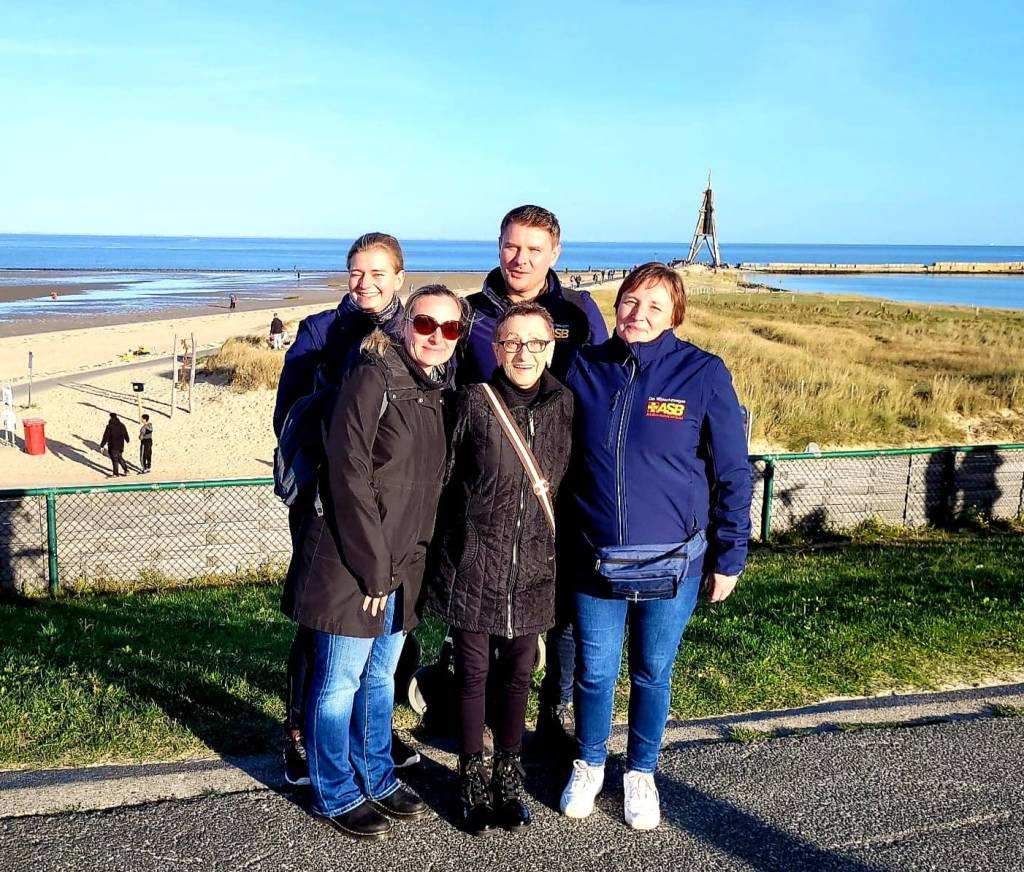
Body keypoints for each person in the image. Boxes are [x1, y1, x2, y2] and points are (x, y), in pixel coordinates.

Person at [559, 262, 752, 830]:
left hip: (676, 563)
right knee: (593, 673)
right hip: (596, 558)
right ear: (615, 306)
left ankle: (640, 772)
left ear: (675, 317)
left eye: (654, 307)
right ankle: (590, 762)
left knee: (652, 672)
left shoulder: (702, 373)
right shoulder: (584, 368)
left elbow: (733, 472)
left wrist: (729, 556)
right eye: (629, 301)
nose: (637, 314)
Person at [281, 285, 465, 840]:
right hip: (352, 564)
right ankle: (334, 788)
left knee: (381, 677)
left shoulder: (432, 388)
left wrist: (404, 570)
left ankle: (376, 773)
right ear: (405, 323)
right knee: (338, 682)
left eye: (450, 329)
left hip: (400, 567)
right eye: (426, 324)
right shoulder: (372, 376)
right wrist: (373, 570)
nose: (436, 337)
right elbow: (347, 476)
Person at [458, 204, 608, 755]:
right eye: (511, 246)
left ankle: (556, 707)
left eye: (534, 249)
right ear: (498, 244)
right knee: (485, 608)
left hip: (559, 484)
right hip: (491, 482)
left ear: (555, 253)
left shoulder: (578, 311)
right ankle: (483, 710)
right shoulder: (472, 313)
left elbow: (597, 388)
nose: (520, 259)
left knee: (560, 604)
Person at [425, 303, 573, 835]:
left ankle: (509, 778)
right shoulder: (474, 402)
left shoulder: (564, 405)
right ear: (495, 347)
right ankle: (470, 778)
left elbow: (566, 485)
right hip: (474, 563)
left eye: (535, 343)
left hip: (535, 565)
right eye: (511, 342)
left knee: (516, 677)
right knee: (472, 676)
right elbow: (444, 481)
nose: (523, 353)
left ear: (551, 347)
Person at [272, 233, 412, 788]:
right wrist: (316, 480)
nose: (367, 283)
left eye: (379, 272)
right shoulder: (319, 333)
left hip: (398, 505)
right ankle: (301, 735)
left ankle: (370, 730)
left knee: (394, 623)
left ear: (399, 276)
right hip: (328, 504)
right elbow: (289, 417)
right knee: (323, 623)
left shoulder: (416, 332)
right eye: (357, 272)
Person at [100, 412, 130, 476]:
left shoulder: (109, 426)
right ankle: (126, 470)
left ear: (110, 417)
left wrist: (102, 445)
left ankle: (116, 474)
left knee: (115, 460)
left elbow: (106, 437)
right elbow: (125, 433)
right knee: (120, 457)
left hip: (113, 446)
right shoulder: (122, 425)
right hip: (120, 445)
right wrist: (127, 440)